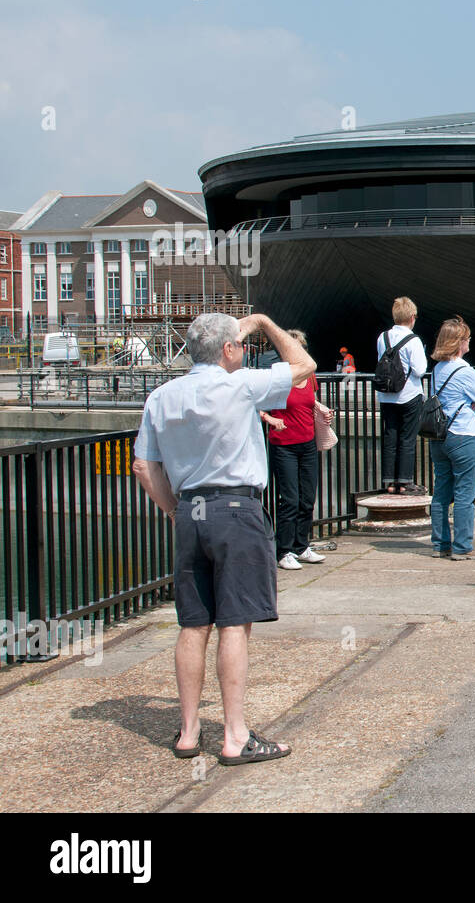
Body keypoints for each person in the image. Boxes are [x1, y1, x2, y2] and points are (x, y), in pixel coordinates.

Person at [133, 312, 314, 766]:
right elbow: (304, 364)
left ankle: (189, 732)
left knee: (193, 623)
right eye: (240, 345)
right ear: (230, 349)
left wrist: (174, 511)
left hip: (189, 512)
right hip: (236, 509)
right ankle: (234, 735)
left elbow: (143, 467)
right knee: (235, 622)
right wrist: (266, 323)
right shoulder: (241, 386)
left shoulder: (161, 396)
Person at [261, 329, 333, 570]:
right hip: (284, 446)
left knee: (307, 498)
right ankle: (284, 551)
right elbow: (256, 405)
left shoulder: (310, 376)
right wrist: (270, 420)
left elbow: (309, 400)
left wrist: (322, 410)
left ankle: (302, 546)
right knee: (290, 499)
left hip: (307, 443)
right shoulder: (278, 377)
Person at [428, 316, 475, 559]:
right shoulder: (464, 370)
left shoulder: (437, 370)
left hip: (439, 435)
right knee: (465, 493)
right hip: (463, 434)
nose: (469, 342)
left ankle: (440, 544)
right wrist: (474, 407)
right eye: (466, 339)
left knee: (441, 492)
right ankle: (462, 547)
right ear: (459, 342)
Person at [376, 297, 427, 496]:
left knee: (390, 437)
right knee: (407, 438)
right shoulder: (413, 340)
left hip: (386, 395)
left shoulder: (383, 337)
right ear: (412, 317)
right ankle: (405, 482)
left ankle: (389, 482)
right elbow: (420, 370)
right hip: (408, 396)